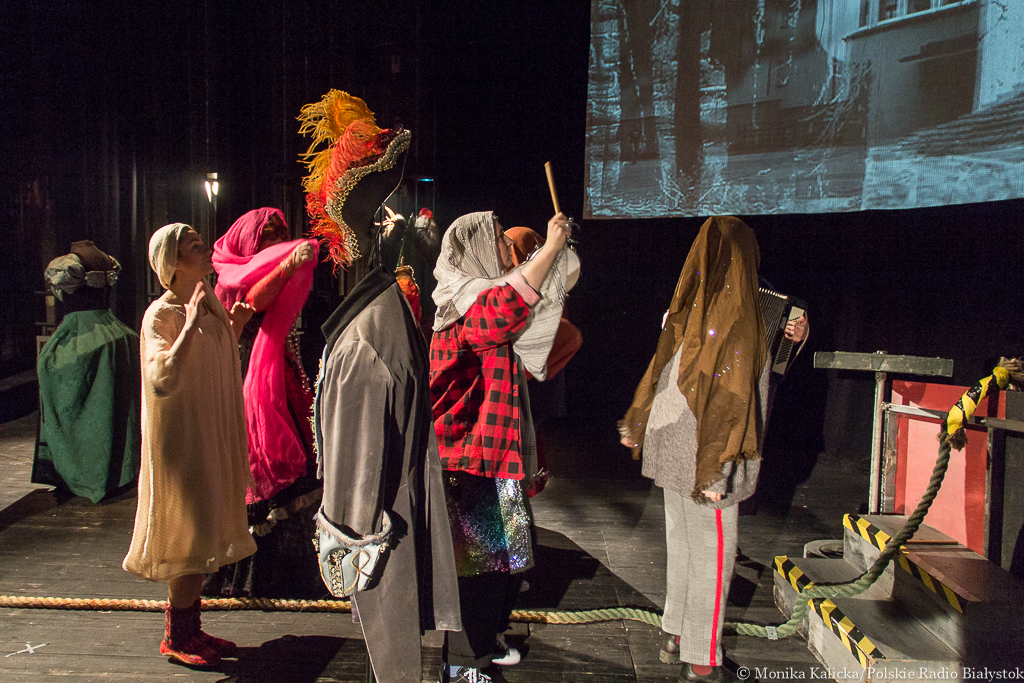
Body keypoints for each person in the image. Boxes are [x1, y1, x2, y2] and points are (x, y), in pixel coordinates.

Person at [299, 89, 461, 683]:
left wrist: (349, 533)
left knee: (392, 656)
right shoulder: (379, 316)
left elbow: (357, 468)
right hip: (396, 511)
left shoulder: (367, 336)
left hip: (382, 525)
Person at [430, 210, 578, 683]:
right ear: (472, 250)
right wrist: (549, 249)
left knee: (506, 563)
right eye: (496, 240)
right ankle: (463, 666)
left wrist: (556, 260)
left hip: (495, 460)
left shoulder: (480, 298)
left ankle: (487, 644)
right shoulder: (461, 307)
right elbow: (506, 307)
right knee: (477, 573)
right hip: (468, 464)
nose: (506, 249)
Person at [618, 216, 767, 683]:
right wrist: (718, 470)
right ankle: (702, 659)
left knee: (682, 542)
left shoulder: (686, 309)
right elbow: (732, 396)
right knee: (712, 553)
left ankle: (677, 633)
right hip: (706, 453)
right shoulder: (736, 319)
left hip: (670, 442)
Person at [123, 223, 257, 668]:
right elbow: (162, 376)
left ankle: (191, 629)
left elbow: (210, 356)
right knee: (189, 533)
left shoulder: (207, 302)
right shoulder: (160, 314)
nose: (205, 251)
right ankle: (176, 636)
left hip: (207, 431)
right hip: (181, 441)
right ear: (174, 263)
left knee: (204, 530)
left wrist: (233, 326)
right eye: (195, 247)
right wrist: (192, 323)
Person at [203, 207, 323, 599]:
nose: (277, 240)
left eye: (281, 233)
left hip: (275, 370)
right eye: (268, 234)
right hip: (244, 372)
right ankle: (250, 574)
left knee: (291, 462)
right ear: (249, 241)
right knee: (255, 461)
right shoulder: (232, 276)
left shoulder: (266, 266)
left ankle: (288, 573)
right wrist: (286, 264)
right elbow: (253, 302)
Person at [34, 241, 140, 502]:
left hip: (82, 333)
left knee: (54, 369)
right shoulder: (106, 261)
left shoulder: (71, 265)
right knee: (112, 402)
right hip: (111, 329)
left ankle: (83, 470)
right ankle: (114, 470)